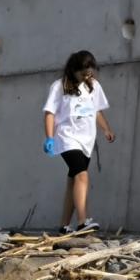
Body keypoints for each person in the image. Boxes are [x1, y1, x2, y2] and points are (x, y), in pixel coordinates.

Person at [44, 49, 115, 233]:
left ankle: (64, 225)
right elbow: (50, 113)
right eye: (83, 74)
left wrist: (106, 129)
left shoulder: (93, 86)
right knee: (82, 175)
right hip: (67, 138)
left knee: (73, 181)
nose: (86, 77)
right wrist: (50, 137)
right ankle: (83, 221)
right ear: (73, 70)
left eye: (90, 73)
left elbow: (97, 111)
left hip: (87, 141)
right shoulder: (60, 86)